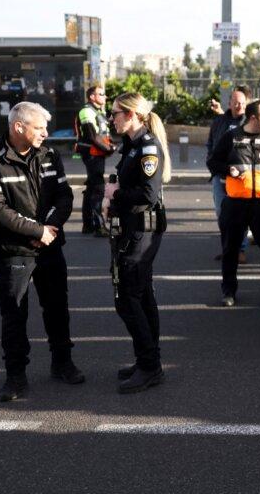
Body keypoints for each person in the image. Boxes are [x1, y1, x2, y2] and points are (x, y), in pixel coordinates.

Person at [0, 101, 82, 402]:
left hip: (50, 245)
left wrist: (50, 229)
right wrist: (37, 232)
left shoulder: (49, 155)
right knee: (14, 314)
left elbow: (64, 196)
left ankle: (63, 363)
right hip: (12, 251)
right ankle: (16, 376)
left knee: (57, 308)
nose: (45, 133)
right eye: (39, 128)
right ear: (18, 127)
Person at [105, 92, 170, 394]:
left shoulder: (147, 147)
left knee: (128, 297)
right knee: (141, 296)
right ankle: (148, 360)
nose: (112, 119)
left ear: (131, 114)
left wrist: (115, 194)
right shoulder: (131, 145)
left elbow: (147, 194)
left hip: (142, 229)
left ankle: (149, 366)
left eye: (115, 113)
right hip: (132, 228)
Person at [207, 100, 260, 307]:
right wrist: (228, 170)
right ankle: (229, 292)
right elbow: (212, 162)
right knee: (230, 250)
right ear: (253, 118)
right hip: (235, 204)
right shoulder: (231, 137)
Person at [207, 86, 248, 260]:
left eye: (242, 103)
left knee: (240, 214)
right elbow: (210, 144)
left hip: (241, 177)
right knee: (222, 213)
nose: (239, 106)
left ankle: (240, 250)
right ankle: (228, 249)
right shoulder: (219, 121)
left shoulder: (248, 123)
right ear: (229, 103)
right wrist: (212, 164)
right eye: (236, 102)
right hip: (220, 175)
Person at [75, 84, 116, 236]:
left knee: (92, 187)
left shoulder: (99, 111)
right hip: (91, 153)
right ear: (92, 97)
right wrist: (108, 149)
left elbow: (104, 133)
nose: (105, 97)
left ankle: (88, 225)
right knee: (98, 187)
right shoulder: (86, 111)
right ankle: (98, 226)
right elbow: (91, 135)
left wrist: (111, 145)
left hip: (98, 153)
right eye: (101, 94)